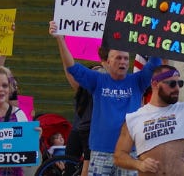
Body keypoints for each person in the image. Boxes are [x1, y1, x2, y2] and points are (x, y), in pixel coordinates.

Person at [51, 21, 163, 176]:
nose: (123, 61)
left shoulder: (137, 81)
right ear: (108, 62)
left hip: (128, 153)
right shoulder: (98, 80)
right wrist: (60, 39)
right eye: (118, 58)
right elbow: (72, 67)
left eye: (126, 58)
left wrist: (159, 35)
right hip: (100, 153)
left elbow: (155, 62)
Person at [112, 52, 184, 175]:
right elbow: (119, 156)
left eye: (180, 83)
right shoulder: (134, 119)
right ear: (155, 84)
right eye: (172, 84)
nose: (177, 88)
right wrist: (139, 164)